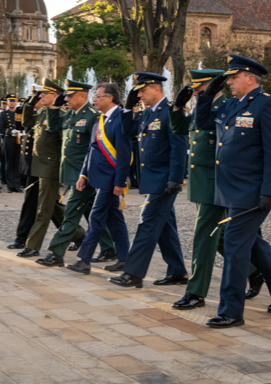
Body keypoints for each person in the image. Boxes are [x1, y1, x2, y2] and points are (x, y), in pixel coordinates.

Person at [195, 54, 271, 329]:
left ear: (250, 78)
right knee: (251, 243)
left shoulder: (267, 106)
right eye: (228, 78)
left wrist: (270, 191)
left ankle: (231, 311)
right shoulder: (232, 104)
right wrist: (207, 95)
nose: (229, 81)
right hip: (229, 190)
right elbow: (203, 123)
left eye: (234, 77)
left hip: (251, 192)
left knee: (234, 248)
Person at [167, 69, 255, 309]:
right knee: (217, 237)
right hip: (201, 179)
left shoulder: (228, 107)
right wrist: (176, 107)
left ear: (214, 86)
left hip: (216, 180)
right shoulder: (200, 107)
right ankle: (255, 271)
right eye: (194, 89)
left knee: (203, 237)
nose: (195, 92)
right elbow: (179, 129)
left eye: (199, 88)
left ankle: (196, 292)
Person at [109, 72, 188, 289]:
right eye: (138, 92)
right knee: (165, 227)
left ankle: (133, 273)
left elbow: (179, 148)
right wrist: (127, 109)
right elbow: (127, 131)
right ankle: (178, 271)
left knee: (147, 224)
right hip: (152, 180)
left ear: (156, 88)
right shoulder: (147, 114)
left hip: (164, 182)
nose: (140, 95)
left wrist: (176, 178)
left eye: (143, 91)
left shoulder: (170, 111)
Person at [36, 80, 113, 267]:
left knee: (71, 213)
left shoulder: (93, 117)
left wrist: (87, 174)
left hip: (84, 175)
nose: (67, 99)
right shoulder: (71, 114)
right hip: (71, 172)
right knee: (92, 212)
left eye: (70, 96)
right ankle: (110, 248)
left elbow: (96, 148)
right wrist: (54, 106)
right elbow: (54, 127)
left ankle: (56, 253)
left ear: (81, 96)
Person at [66, 83, 132, 275]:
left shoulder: (121, 120)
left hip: (110, 180)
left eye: (97, 96)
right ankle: (124, 259)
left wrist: (120, 182)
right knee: (115, 220)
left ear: (110, 98)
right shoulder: (100, 119)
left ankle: (84, 260)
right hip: (97, 177)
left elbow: (124, 154)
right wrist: (83, 174)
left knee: (96, 218)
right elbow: (91, 149)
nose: (94, 99)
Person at [18, 79, 67, 258]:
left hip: (50, 168)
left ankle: (33, 245)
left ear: (55, 96)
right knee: (53, 207)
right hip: (40, 167)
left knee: (43, 210)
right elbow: (27, 122)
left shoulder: (60, 114)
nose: (41, 96)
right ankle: (79, 235)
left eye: (44, 94)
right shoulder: (44, 113)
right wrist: (29, 104)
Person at [0, 94, 21, 192]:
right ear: (7, 102)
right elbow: (1, 129)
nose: (12, 102)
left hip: (18, 139)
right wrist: (10, 131)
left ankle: (16, 185)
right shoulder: (4, 114)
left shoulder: (19, 112)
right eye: (10, 101)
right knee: (9, 163)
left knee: (17, 163)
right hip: (9, 139)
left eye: (13, 101)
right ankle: (9, 185)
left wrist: (20, 131)